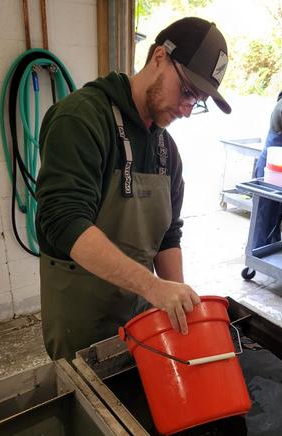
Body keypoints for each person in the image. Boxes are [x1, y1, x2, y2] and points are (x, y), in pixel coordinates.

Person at [36, 17, 231, 362]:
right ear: (159, 56)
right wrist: (154, 287)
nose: (187, 110)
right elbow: (64, 219)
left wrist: (179, 307)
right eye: (187, 91)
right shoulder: (81, 119)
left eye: (197, 101)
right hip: (81, 318)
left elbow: (168, 235)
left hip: (140, 315)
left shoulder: (166, 151)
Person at [252, 85, 282, 249]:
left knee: (276, 215)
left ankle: (271, 249)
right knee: (265, 218)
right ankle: (258, 256)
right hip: (272, 171)